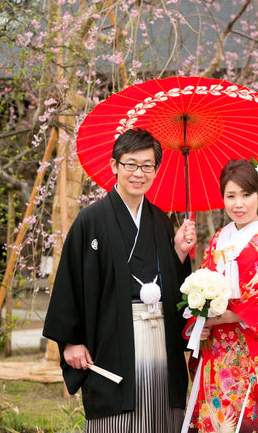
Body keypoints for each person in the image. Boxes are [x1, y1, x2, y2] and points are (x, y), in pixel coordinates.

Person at [43, 128, 196, 433]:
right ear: (114, 165)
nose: (139, 173)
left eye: (147, 166)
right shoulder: (90, 220)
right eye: (131, 164)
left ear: (156, 170)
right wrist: (71, 340)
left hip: (159, 336)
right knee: (116, 420)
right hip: (111, 341)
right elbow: (71, 280)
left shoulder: (161, 221)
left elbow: (171, 286)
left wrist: (179, 253)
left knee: (161, 414)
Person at [184, 159, 258, 433]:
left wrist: (232, 315)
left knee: (253, 419)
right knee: (219, 418)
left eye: (247, 195)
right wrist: (200, 323)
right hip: (219, 349)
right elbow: (201, 289)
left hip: (257, 346)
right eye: (231, 196)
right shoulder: (218, 240)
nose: (239, 204)